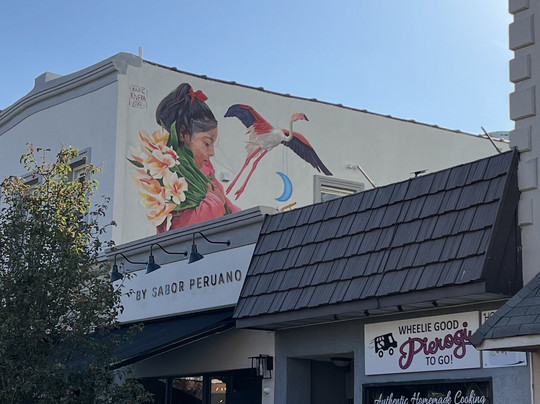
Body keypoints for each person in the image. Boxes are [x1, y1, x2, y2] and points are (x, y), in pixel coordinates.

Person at [154, 83, 240, 232]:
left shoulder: (206, 174)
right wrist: (217, 201)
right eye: (206, 143)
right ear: (182, 134)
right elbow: (188, 229)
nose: (212, 152)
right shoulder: (172, 175)